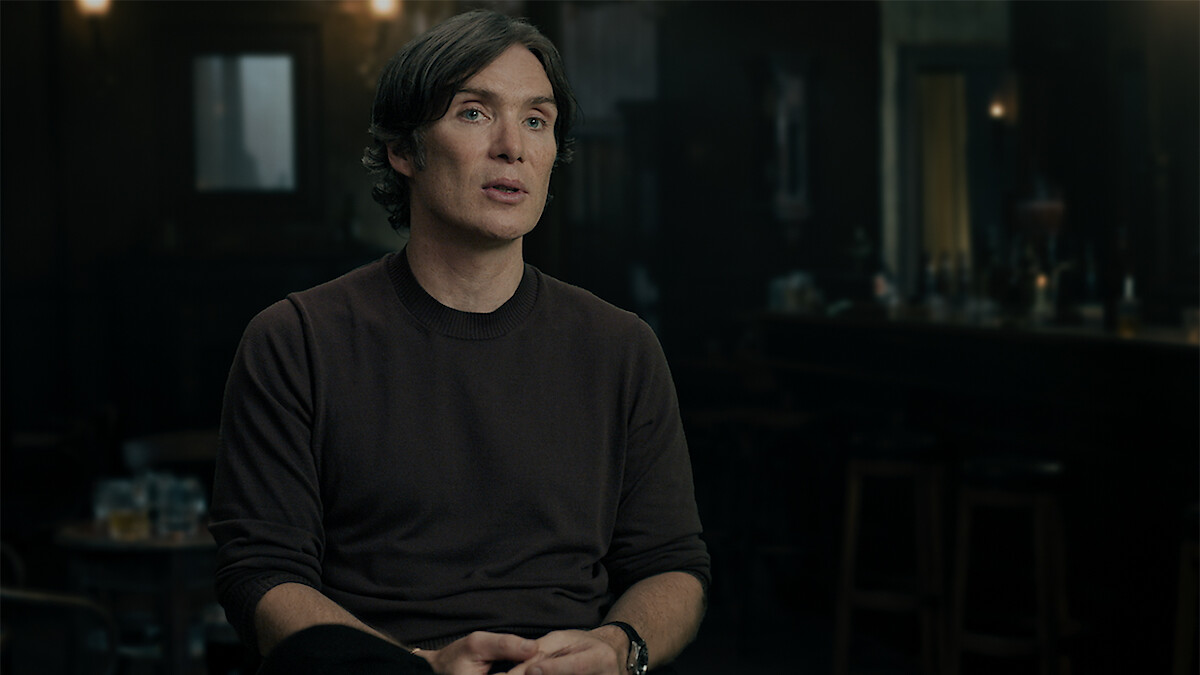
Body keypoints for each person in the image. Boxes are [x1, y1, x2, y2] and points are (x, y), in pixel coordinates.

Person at [210, 9, 710, 675]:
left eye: (537, 119)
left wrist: (621, 649)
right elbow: (261, 575)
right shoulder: (296, 339)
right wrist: (416, 668)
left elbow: (672, 565)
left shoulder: (622, 347)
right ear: (404, 149)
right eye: (474, 112)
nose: (513, 145)